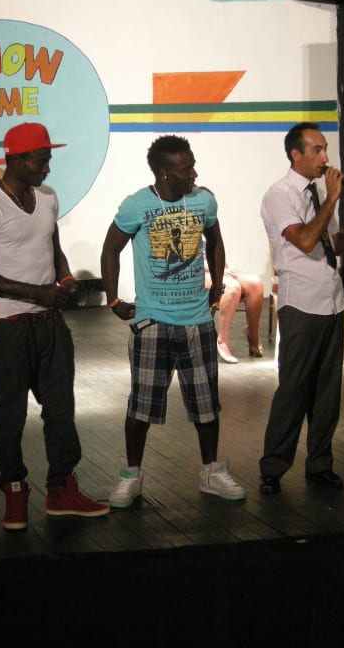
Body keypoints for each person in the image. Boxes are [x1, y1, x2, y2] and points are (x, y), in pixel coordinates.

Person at [0, 122, 108, 531]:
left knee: (61, 410)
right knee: (9, 416)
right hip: (10, 325)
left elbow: (53, 248)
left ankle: (62, 489)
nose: (47, 167)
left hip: (50, 324)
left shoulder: (47, 197)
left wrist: (64, 279)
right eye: (41, 160)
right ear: (15, 160)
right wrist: (35, 292)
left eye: (48, 159)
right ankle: (14, 491)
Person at [100, 134, 246, 509]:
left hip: (196, 322)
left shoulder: (203, 201)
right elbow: (111, 248)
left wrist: (217, 286)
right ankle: (131, 476)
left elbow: (216, 241)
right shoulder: (137, 205)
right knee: (141, 407)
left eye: (193, 165)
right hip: (153, 323)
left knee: (206, 405)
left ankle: (211, 472)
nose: (193, 174)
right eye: (186, 169)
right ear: (165, 173)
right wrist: (113, 298)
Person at [258, 122, 344, 495]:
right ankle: (273, 468)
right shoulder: (279, 195)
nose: (325, 158)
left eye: (325, 150)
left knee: (327, 393)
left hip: (332, 303)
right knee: (294, 390)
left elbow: (334, 244)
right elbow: (305, 240)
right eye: (317, 150)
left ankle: (320, 465)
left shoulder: (319, 192)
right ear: (296, 155)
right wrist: (333, 198)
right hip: (301, 304)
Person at [204, 261, 266, 363]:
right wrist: (216, 270)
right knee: (232, 287)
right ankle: (222, 340)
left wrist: (221, 267)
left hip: (216, 267)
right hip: (195, 273)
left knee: (256, 284)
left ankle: (252, 334)